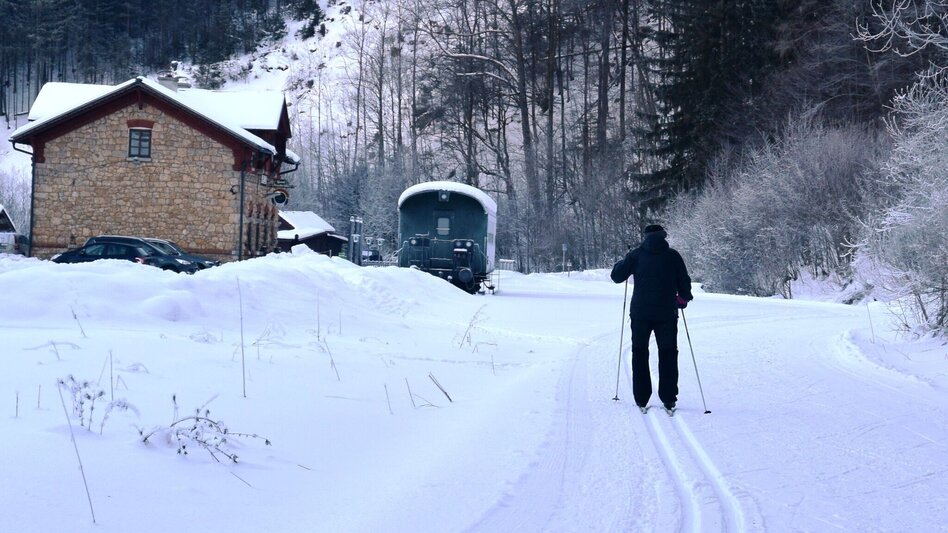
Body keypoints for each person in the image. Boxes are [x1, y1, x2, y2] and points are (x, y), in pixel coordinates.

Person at [610, 224, 693, 411]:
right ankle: (669, 398)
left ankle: (641, 398)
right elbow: (684, 281)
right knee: (668, 354)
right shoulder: (673, 256)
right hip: (667, 313)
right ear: (664, 236)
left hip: (640, 313)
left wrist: (624, 259)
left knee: (640, 353)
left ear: (645, 237)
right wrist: (683, 298)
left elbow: (616, 276)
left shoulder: (636, 255)